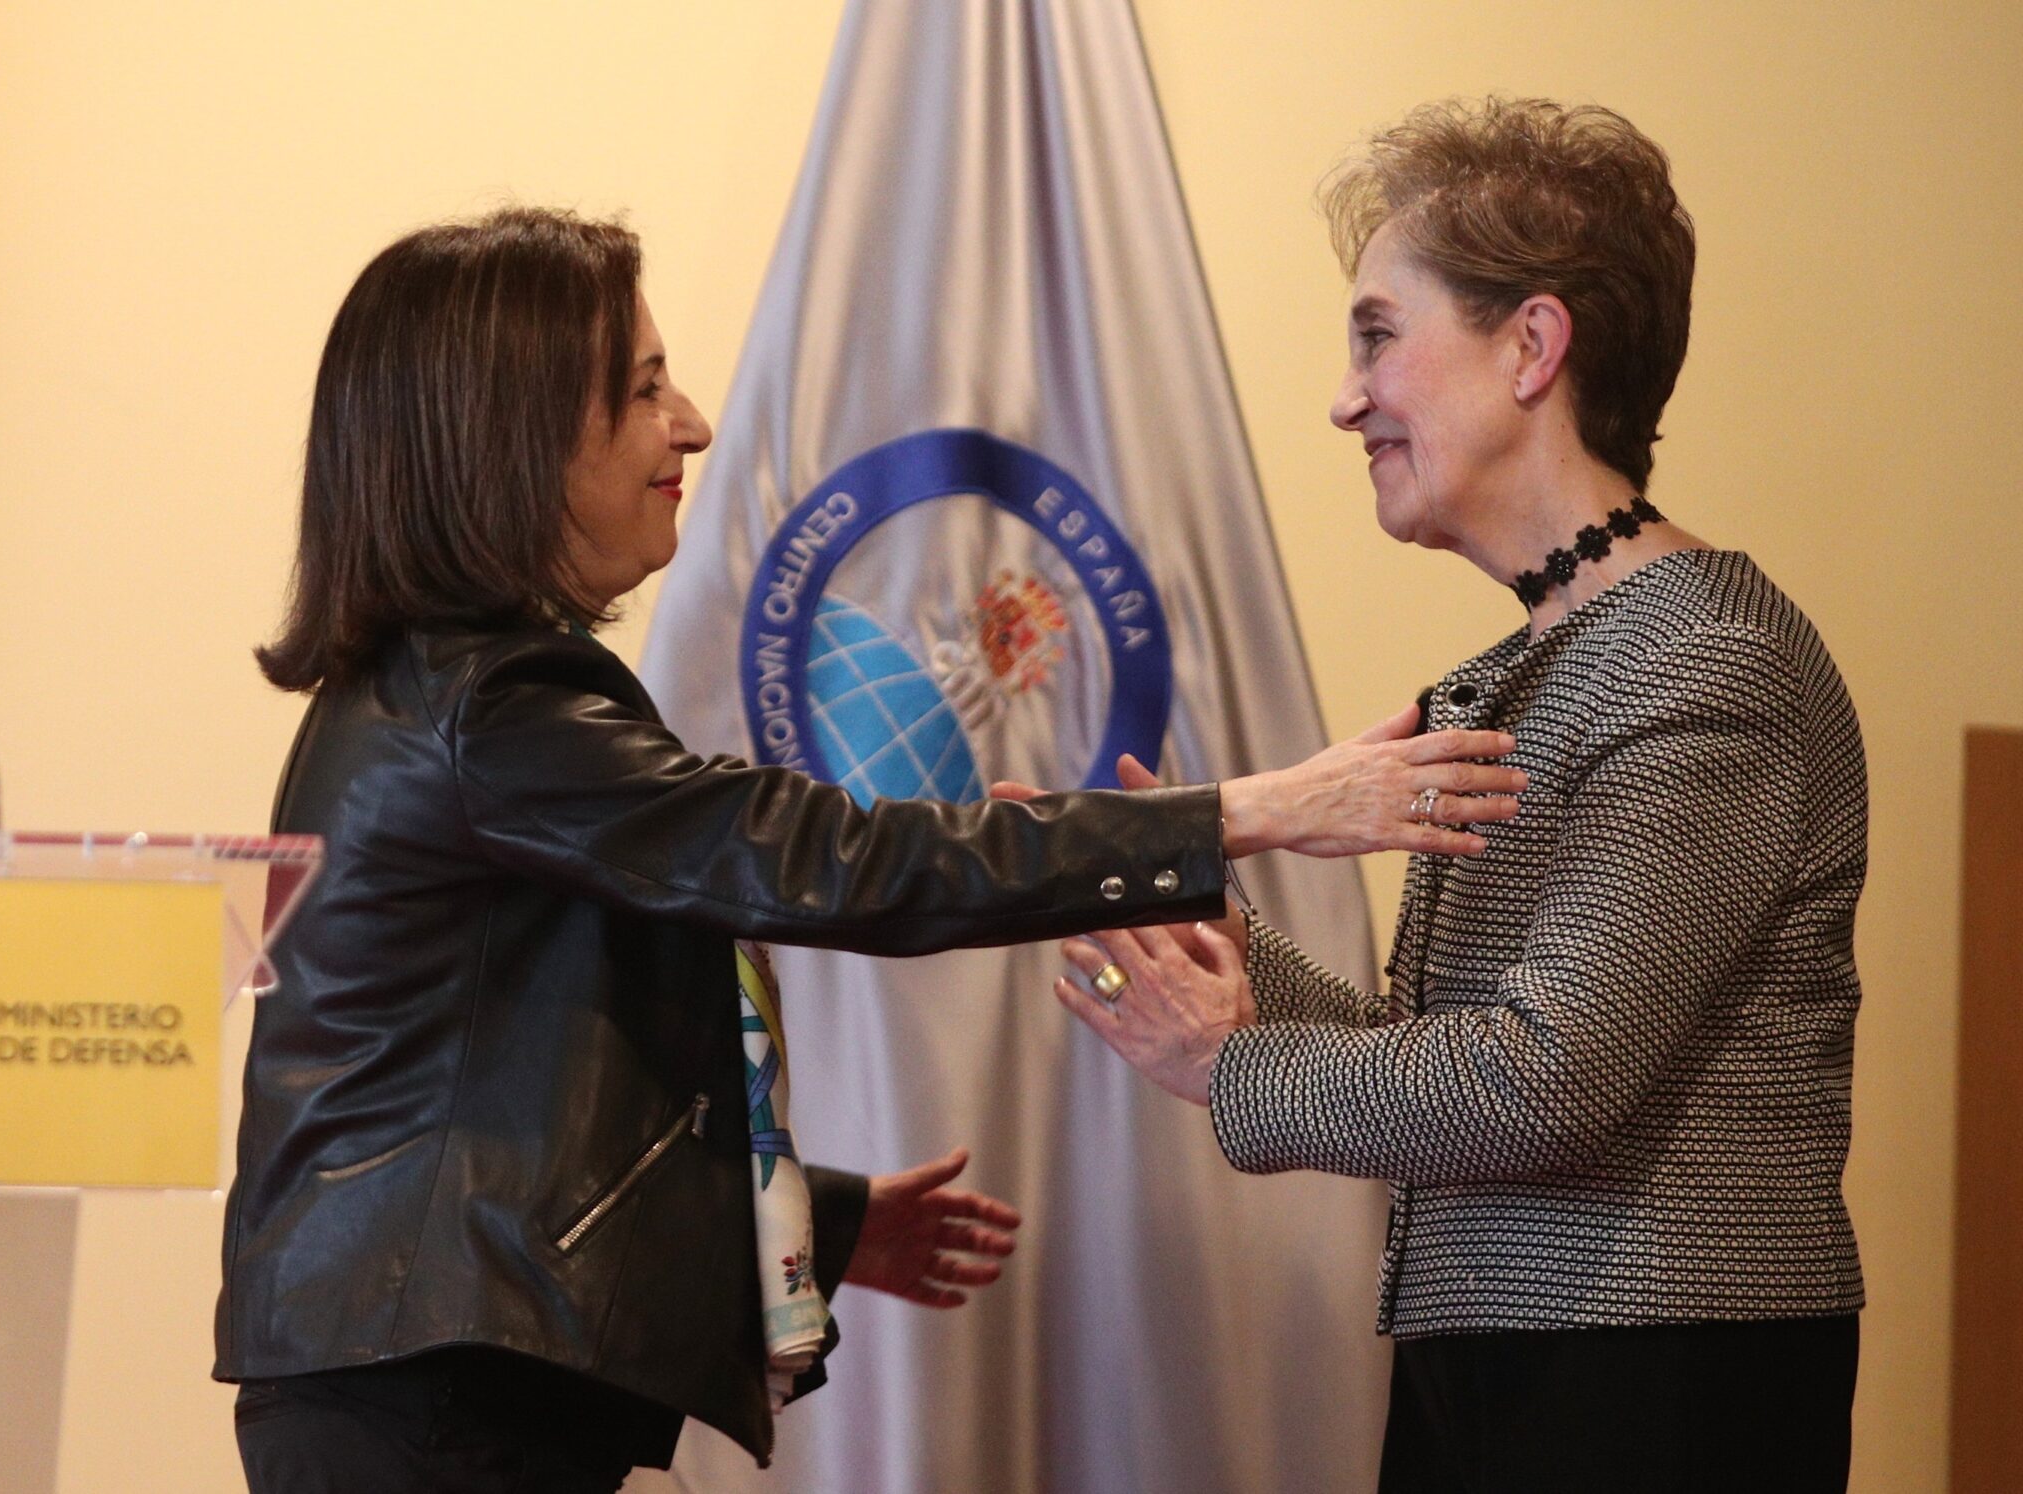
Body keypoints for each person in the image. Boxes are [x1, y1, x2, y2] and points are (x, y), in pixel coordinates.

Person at [215, 207, 1528, 1493]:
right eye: (642, 388)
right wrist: (1257, 810)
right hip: (428, 1395)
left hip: (414, 1373)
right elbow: (823, 856)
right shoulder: (488, 710)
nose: (694, 425)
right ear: (511, 439)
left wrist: (818, 1222)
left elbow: (512, 1095)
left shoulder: (437, 697)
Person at [1049, 100, 1866, 1492]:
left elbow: (1543, 1082)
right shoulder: (1519, 668)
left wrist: (1226, 1064)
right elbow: (1458, 1051)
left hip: (1653, 1379)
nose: (1345, 395)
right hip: (1496, 1356)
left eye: (1377, 333)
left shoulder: (1708, 664)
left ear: (1532, 345)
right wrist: (1248, 963)